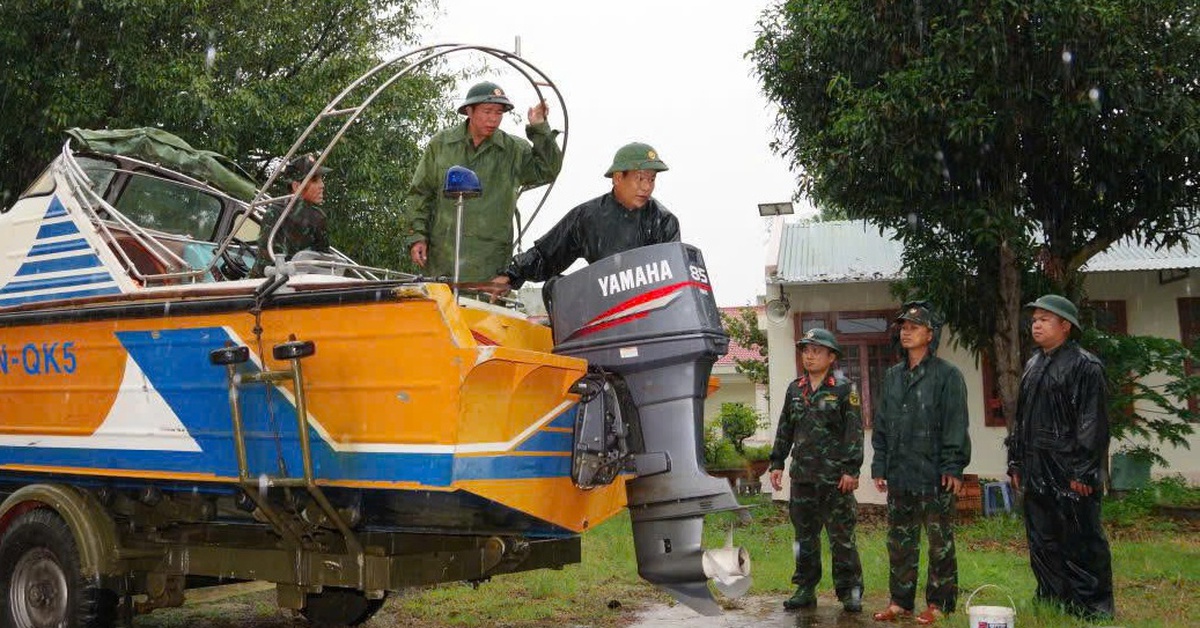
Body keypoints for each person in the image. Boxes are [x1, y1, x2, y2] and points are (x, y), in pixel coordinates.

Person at [1007, 294, 1114, 620]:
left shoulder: (1085, 366)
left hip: (1069, 469)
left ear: (1065, 326)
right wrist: (1016, 461)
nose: (1036, 324)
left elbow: (1091, 424)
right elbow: (1021, 418)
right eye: (1034, 319)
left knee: (1080, 539)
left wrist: (1083, 471)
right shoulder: (1033, 364)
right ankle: (1053, 598)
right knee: (1043, 540)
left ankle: (1091, 607)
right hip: (1036, 468)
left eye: (1044, 319)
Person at [402, 81, 563, 282]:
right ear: (469, 111)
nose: (493, 119)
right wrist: (417, 235)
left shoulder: (512, 150)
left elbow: (548, 170)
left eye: (499, 113)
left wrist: (539, 127)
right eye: (487, 111)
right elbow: (420, 193)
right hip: (443, 260)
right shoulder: (442, 145)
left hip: (490, 266)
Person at [870, 301, 970, 625]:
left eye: (914, 327)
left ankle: (939, 605)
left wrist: (954, 466)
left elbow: (956, 422)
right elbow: (883, 424)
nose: (906, 331)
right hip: (900, 473)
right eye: (903, 327)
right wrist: (879, 466)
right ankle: (900, 601)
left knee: (940, 544)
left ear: (930, 334)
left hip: (934, 474)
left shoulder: (947, 376)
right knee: (900, 542)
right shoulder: (892, 377)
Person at [486, 142, 678, 295]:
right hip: (601, 308)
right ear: (618, 177)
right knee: (555, 287)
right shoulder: (588, 217)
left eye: (651, 180)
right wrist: (511, 275)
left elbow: (672, 277)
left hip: (648, 312)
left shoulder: (664, 221)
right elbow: (546, 255)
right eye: (640, 178)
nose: (647, 187)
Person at [768, 328, 864, 613]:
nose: (809, 356)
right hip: (803, 478)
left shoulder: (846, 389)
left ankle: (850, 592)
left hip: (836, 480)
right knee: (804, 538)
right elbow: (785, 428)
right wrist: (777, 462)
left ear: (831, 356)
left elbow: (854, 432)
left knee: (842, 538)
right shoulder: (794, 389)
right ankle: (805, 588)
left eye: (816, 350)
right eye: (805, 350)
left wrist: (851, 470)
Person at [251, 153, 331, 277]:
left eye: (321, 180)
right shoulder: (317, 216)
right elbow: (325, 261)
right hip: (296, 286)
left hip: (269, 285)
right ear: (296, 186)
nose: (322, 185)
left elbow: (263, 266)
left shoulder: (274, 210)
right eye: (315, 180)